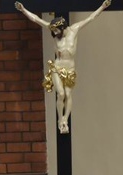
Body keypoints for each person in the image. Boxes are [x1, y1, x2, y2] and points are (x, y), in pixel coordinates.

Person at [15, 0, 111, 134]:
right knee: (60, 94)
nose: (54, 33)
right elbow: (36, 19)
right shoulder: (54, 32)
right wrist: (23, 9)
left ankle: (65, 119)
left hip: (70, 68)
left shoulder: (74, 30)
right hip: (57, 67)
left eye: (56, 30)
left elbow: (91, 18)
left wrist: (102, 6)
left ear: (62, 27)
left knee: (68, 94)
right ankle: (60, 119)